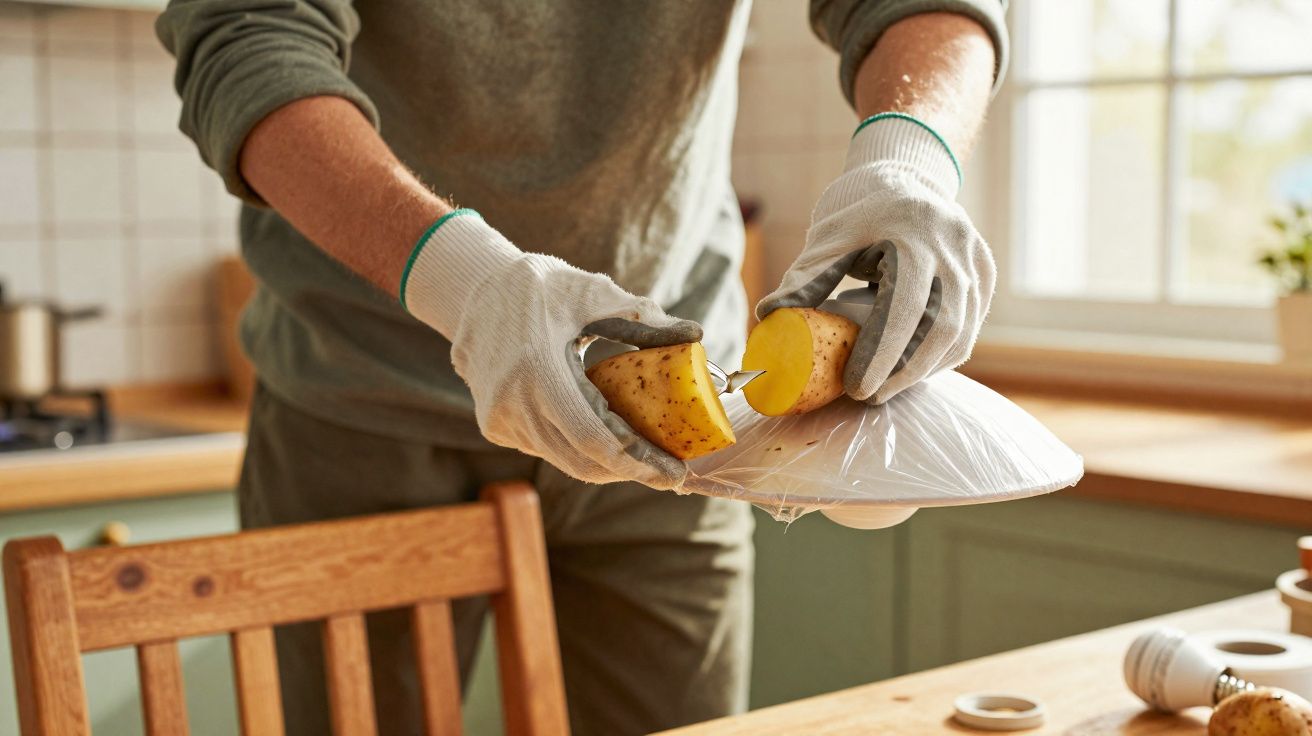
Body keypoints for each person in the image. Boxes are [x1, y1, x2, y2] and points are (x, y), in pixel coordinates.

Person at [157, 1, 1006, 733]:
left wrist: (911, 162)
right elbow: (249, 37)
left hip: (682, 424)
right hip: (359, 401)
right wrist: (467, 283)